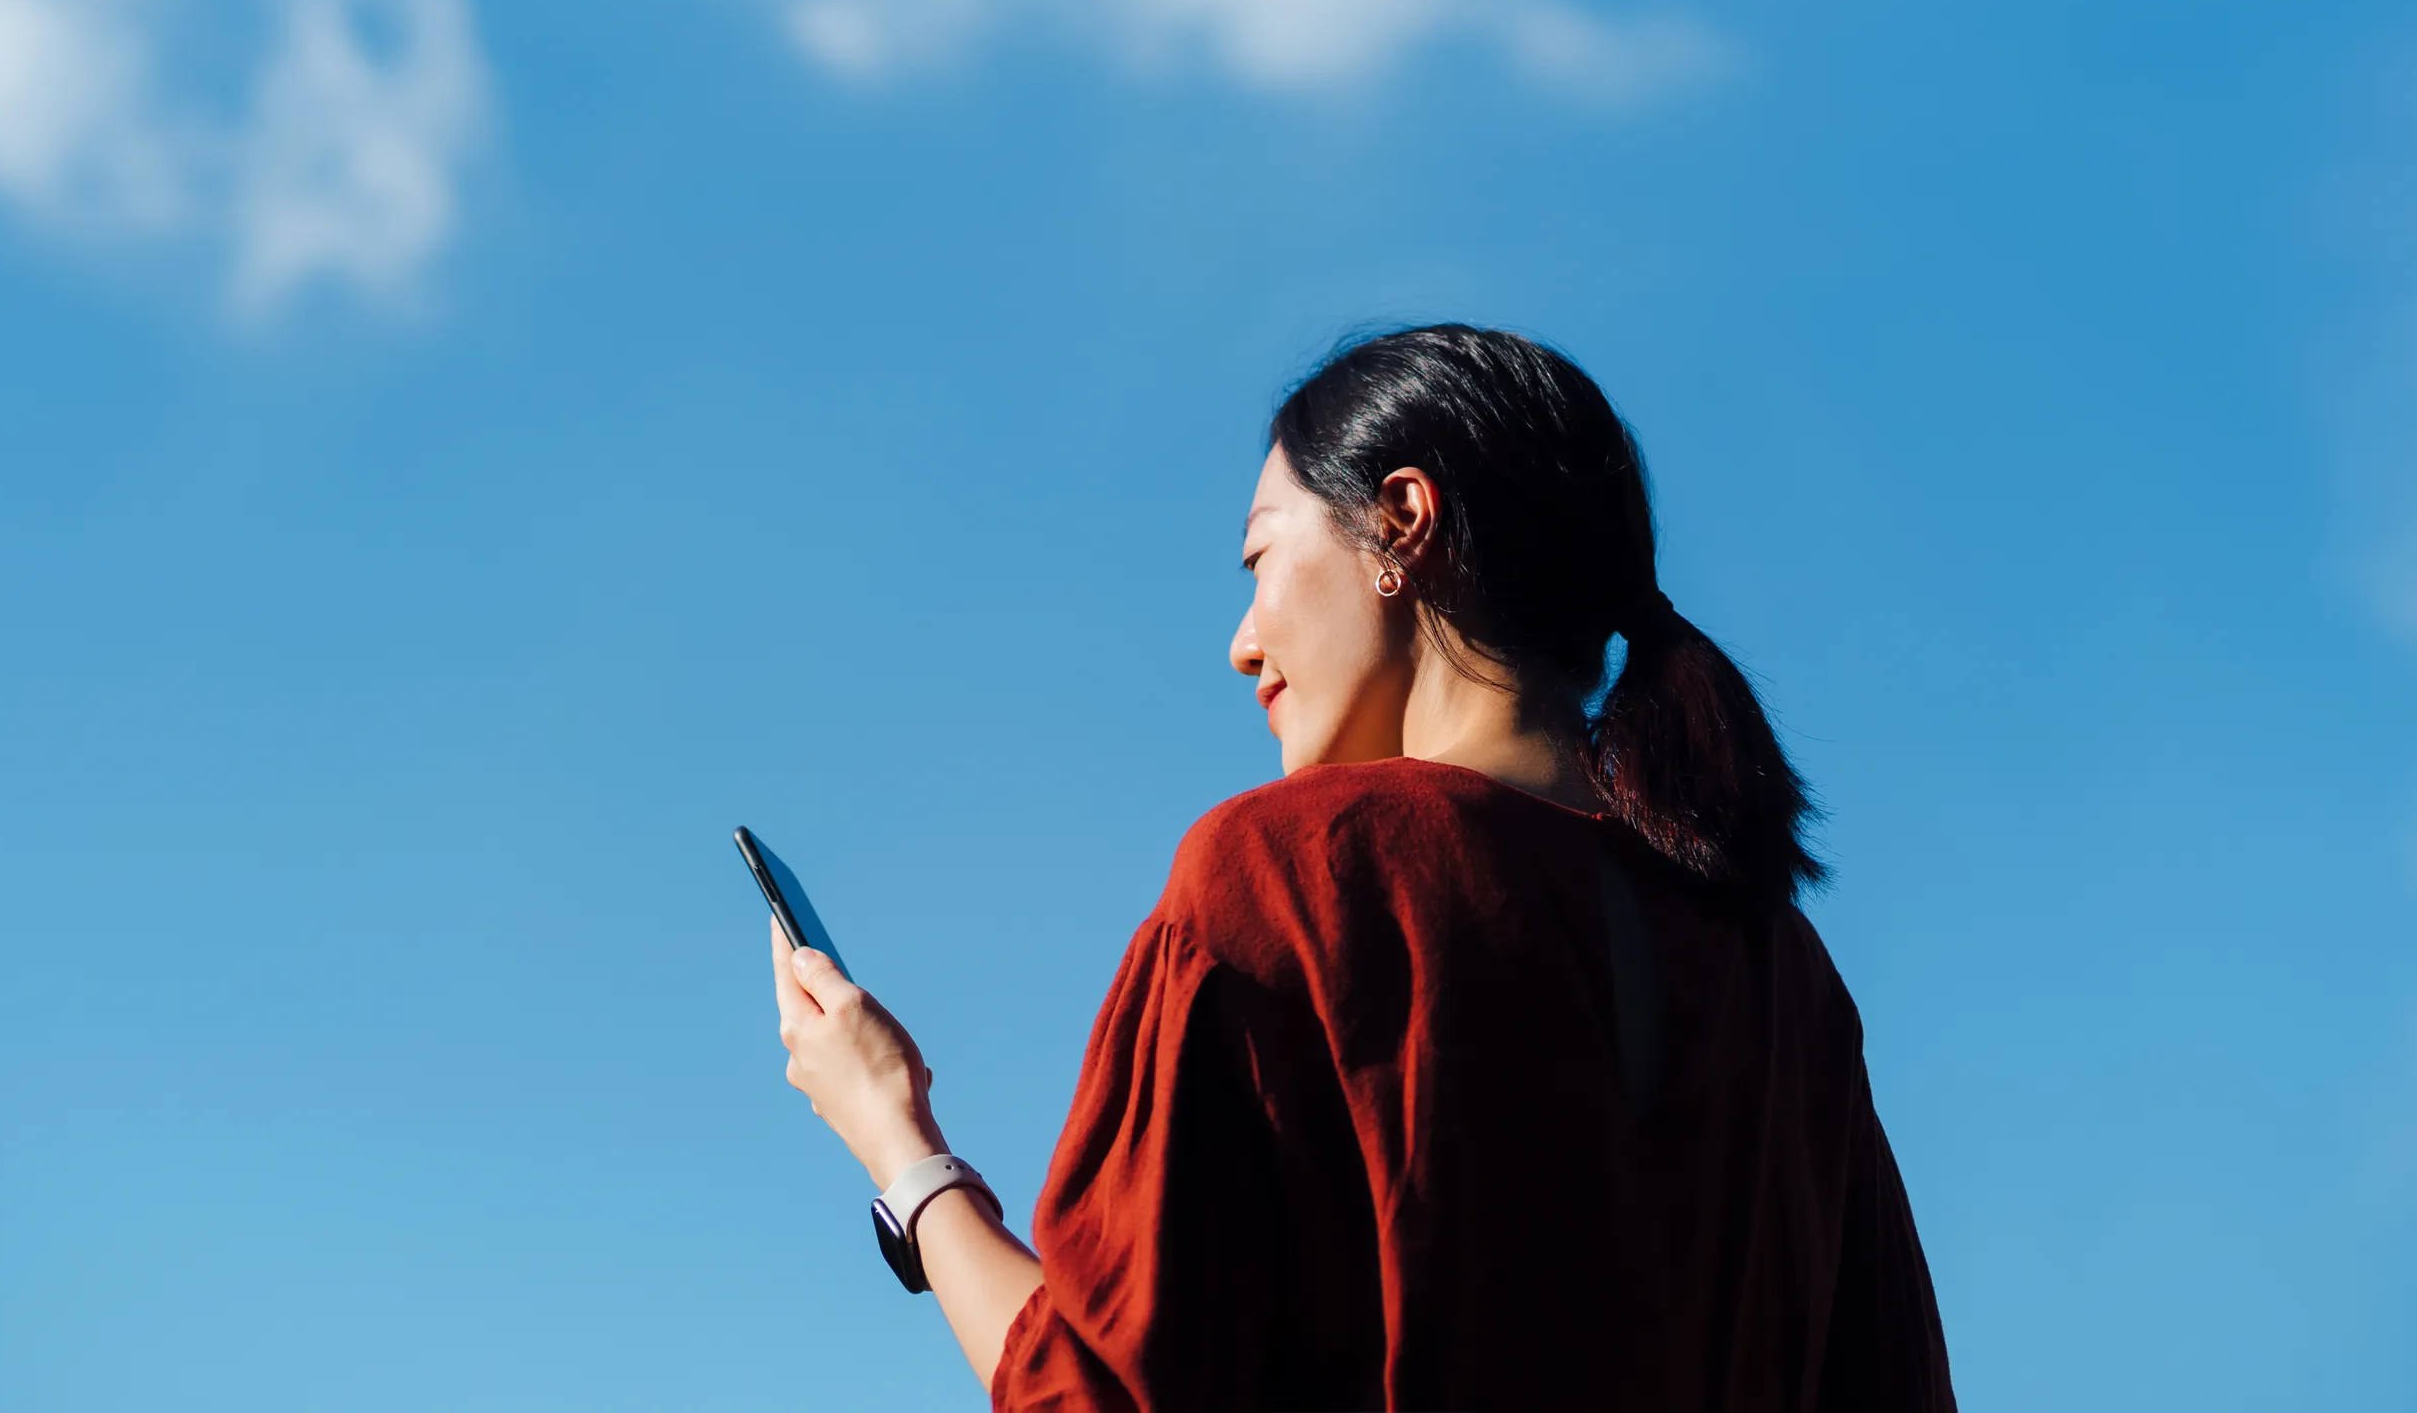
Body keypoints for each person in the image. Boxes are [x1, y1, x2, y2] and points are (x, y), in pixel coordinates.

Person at [768, 325, 1954, 1410]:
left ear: (1401, 519)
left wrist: (902, 1147)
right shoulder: (1782, 964)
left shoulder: (1290, 873)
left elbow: (1102, 1392)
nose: (1241, 643)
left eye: (1259, 559)